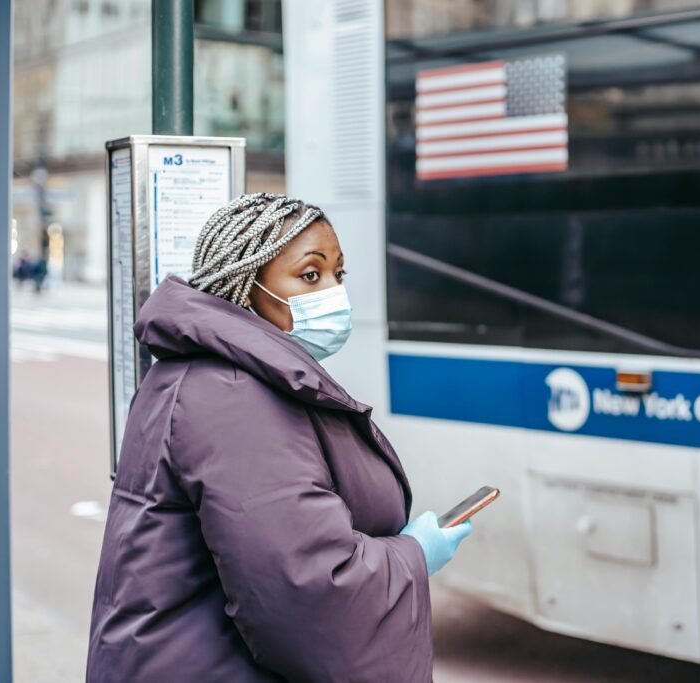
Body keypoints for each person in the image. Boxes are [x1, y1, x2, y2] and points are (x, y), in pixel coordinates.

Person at [86, 193, 473, 682]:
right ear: (247, 288)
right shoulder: (232, 395)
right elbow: (307, 593)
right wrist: (413, 555)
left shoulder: (219, 376)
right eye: (310, 274)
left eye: (338, 274)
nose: (333, 291)